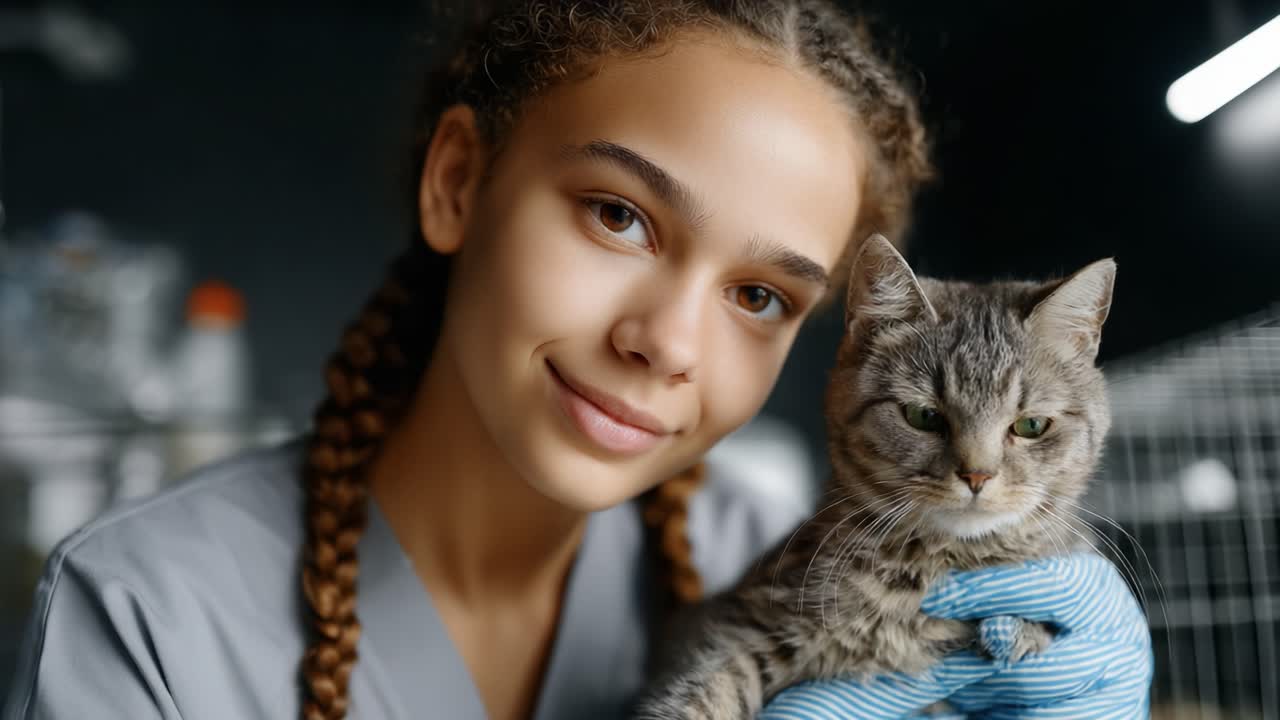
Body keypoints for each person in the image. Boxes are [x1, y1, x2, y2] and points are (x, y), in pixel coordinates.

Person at [3, 2, 1152, 719]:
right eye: (616, 217)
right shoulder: (145, 615)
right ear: (459, 183)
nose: (664, 341)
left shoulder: (748, 561)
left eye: (758, 295)